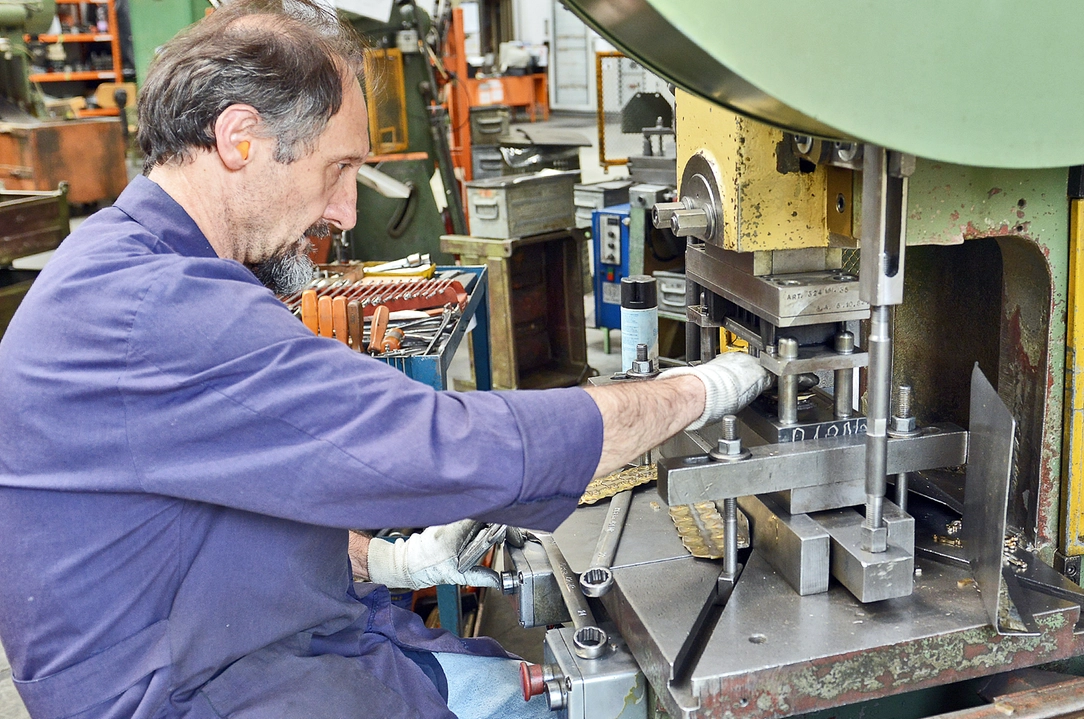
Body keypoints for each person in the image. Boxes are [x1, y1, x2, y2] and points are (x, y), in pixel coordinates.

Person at [0, 1, 768, 718]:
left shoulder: (140, 261)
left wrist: (380, 562)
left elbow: (193, 521)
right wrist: (690, 393)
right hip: (199, 692)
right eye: (338, 170)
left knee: (503, 678)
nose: (343, 212)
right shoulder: (154, 310)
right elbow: (439, 442)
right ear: (240, 139)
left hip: (245, 635)